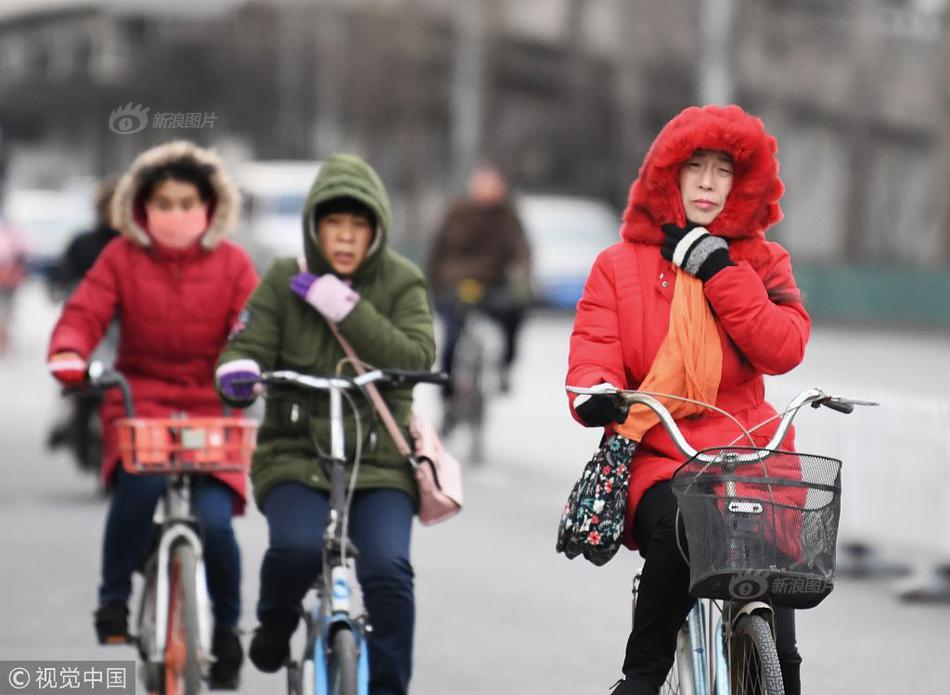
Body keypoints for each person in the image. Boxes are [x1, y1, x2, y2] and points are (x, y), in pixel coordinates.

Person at [566, 105, 811, 695]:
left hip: (752, 456)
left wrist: (721, 270)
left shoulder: (763, 261)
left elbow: (783, 346)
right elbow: (594, 353)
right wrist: (599, 394)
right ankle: (642, 677)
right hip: (662, 452)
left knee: (779, 637)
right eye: (694, 166)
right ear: (668, 176)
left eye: (722, 170)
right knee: (681, 521)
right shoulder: (618, 266)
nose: (706, 182)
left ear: (741, 182)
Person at [215, 153, 436, 695]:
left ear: (376, 231)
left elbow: (418, 354)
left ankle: (388, 688)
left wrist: (347, 309)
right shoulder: (283, 278)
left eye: (358, 225)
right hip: (295, 451)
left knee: (388, 574)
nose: (344, 236)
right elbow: (246, 345)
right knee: (293, 548)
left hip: (381, 459)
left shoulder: (403, 280)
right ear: (314, 226)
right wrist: (239, 372)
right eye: (333, 223)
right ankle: (275, 620)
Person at [46, 141, 258, 689]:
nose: (176, 214)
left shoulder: (234, 264)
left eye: (188, 202)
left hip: (213, 403)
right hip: (140, 400)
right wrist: (71, 353)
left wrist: (250, 363)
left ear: (211, 206)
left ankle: (229, 628)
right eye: (163, 202)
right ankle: (114, 598)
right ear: (141, 207)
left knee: (216, 525)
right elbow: (84, 312)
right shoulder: (119, 257)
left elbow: (252, 327)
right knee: (137, 491)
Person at [427, 164, 531, 402]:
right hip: (455, 284)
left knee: (514, 314)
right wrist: (436, 286)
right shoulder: (456, 213)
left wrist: (523, 279)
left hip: (493, 284)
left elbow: (522, 250)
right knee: (452, 336)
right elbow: (438, 251)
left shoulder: (508, 216)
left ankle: (505, 366)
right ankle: (447, 391)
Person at [46, 177, 120, 471]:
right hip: (91, 324)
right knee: (71, 372)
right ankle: (66, 420)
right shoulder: (83, 243)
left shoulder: (136, 247)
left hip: (123, 328)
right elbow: (63, 274)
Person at [0, 216, 28, 354]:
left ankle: (5, 336)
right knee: (5, 309)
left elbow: (23, 251)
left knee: (7, 309)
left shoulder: (11, 229)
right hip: (8, 273)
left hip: (9, 275)